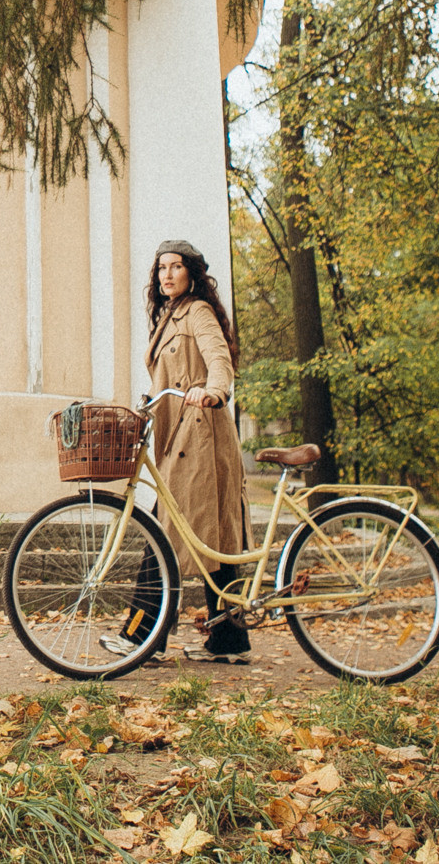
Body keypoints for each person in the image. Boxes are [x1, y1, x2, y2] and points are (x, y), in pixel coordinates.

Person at [106, 238, 250, 663]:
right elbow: (165, 379)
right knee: (214, 536)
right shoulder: (169, 316)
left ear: (192, 273)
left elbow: (219, 359)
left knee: (163, 537)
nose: (167, 274)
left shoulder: (198, 312)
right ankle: (229, 641)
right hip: (181, 439)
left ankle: (140, 637)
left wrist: (214, 390)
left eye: (175, 267)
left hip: (202, 437)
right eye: (161, 268)